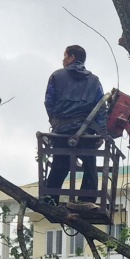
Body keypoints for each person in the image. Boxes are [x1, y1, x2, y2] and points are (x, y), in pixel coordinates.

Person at [43, 45, 106, 198]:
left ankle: (50, 199)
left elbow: (49, 102)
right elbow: (101, 108)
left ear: (72, 57)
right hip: (86, 132)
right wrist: (101, 132)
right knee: (90, 166)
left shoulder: (56, 76)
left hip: (62, 131)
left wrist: (55, 121)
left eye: (64, 56)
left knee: (60, 164)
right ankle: (86, 200)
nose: (63, 60)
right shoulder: (94, 81)